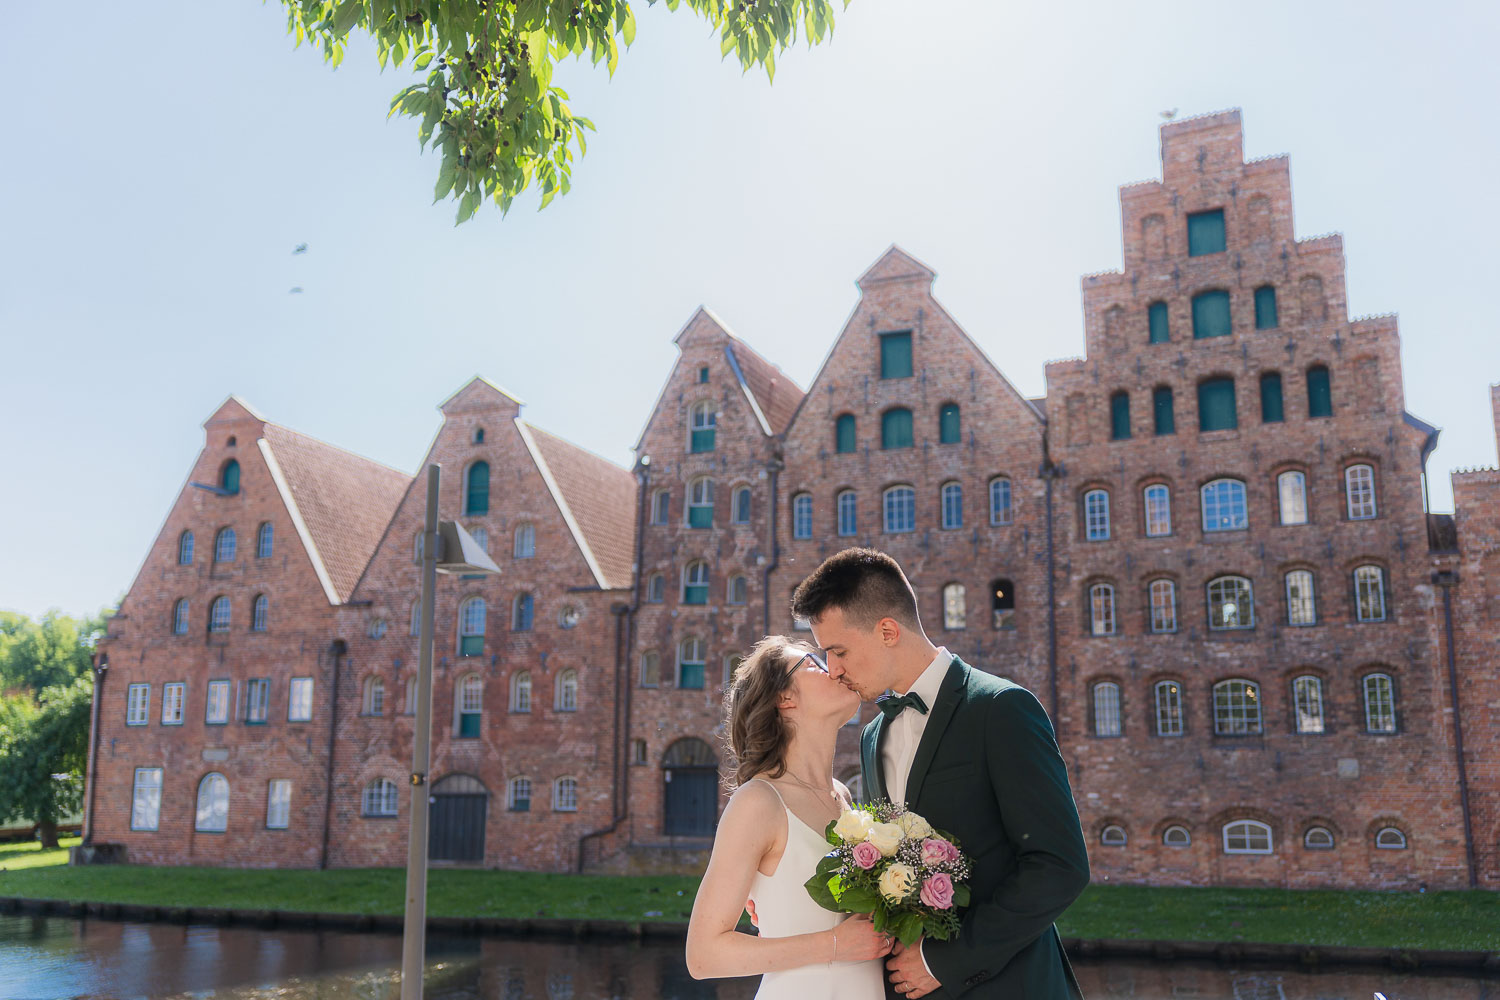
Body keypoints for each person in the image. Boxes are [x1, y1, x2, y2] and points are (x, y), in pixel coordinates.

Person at [791, 547, 1090, 1000]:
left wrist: (944, 961)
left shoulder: (1001, 709)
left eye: (838, 651)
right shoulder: (873, 736)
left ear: (887, 630)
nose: (833, 670)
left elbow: (1059, 866)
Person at [685, 635, 892, 997]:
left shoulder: (841, 795)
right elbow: (702, 956)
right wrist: (834, 945)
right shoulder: (759, 802)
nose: (835, 669)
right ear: (784, 698)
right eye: (815, 663)